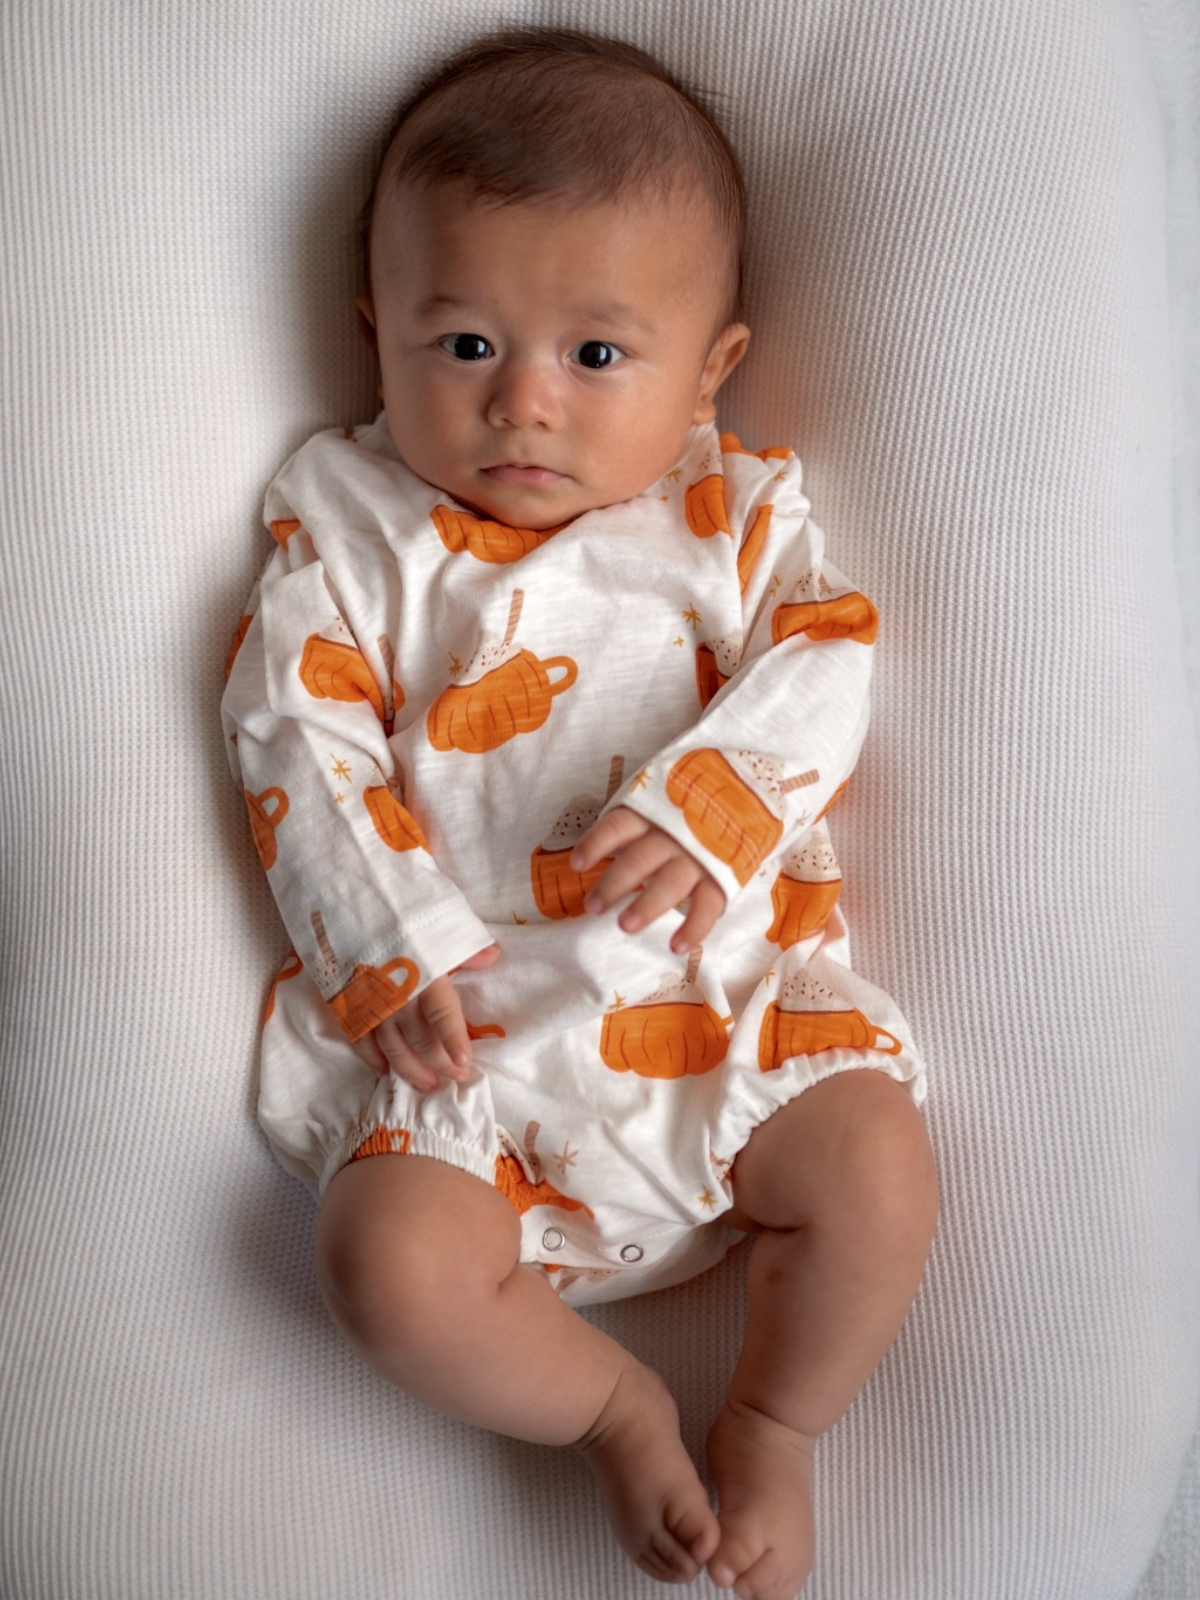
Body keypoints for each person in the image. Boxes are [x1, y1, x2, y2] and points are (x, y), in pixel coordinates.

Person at [222, 27, 937, 1600]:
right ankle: (615, 1412)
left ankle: (774, 1422)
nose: (524, 405)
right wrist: (388, 940)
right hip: (467, 1060)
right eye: (466, 343)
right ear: (378, 333)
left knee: (879, 1166)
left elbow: (828, 656)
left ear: (710, 369)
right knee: (383, 1268)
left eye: (597, 356)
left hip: (725, 1023)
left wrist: (714, 804)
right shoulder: (351, 525)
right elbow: (289, 730)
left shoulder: (726, 512)